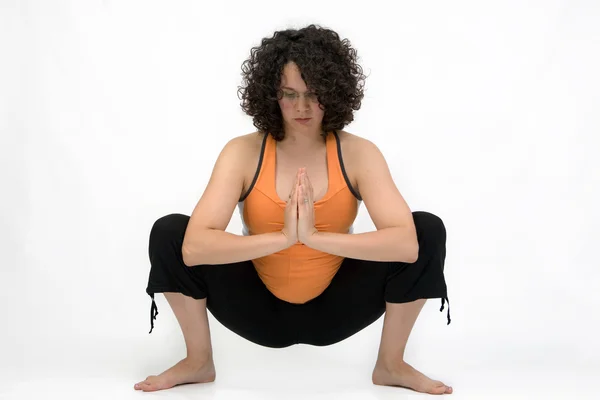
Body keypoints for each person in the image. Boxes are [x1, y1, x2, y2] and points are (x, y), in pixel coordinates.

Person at [134, 24, 452, 395]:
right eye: (289, 94)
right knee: (170, 231)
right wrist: (284, 238)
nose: (301, 107)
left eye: (313, 94)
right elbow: (193, 248)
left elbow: (407, 246)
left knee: (426, 228)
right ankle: (198, 361)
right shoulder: (242, 153)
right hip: (257, 310)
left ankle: (391, 365)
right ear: (271, 95)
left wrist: (315, 238)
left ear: (333, 93)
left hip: (336, 308)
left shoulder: (359, 153)